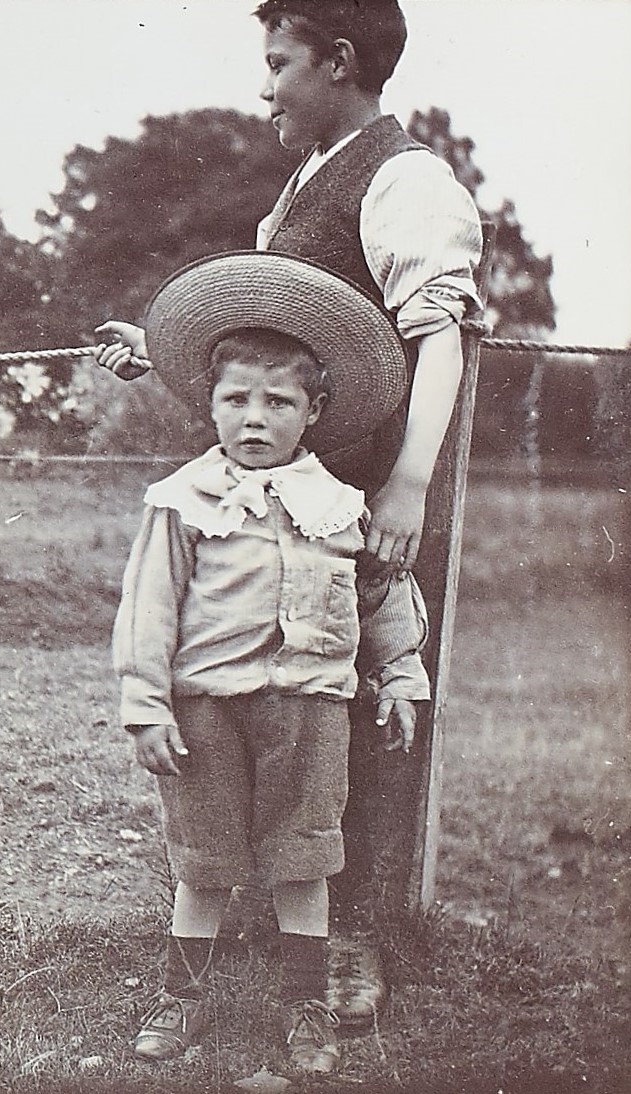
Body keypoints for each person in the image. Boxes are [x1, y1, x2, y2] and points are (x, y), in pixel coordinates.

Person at [113, 252, 430, 1074]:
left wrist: (398, 671)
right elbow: (148, 605)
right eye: (235, 400)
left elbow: (380, 596)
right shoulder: (183, 499)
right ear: (209, 404)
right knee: (205, 857)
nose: (254, 419)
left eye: (278, 403)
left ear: (312, 412)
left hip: (310, 708)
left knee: (302, 857)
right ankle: (180, 999)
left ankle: (305, 1010)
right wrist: (145, 705)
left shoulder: (338, 506)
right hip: (205, 708)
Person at [96, 0, 482, 571]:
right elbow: (286, 338)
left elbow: (440, 340)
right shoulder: (310, 177)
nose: (264, 89)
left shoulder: (406, 177)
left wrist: (408, 486)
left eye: (279, 65)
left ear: (338, 62)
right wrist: (164, 350)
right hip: (295, 481)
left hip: (358, 494)